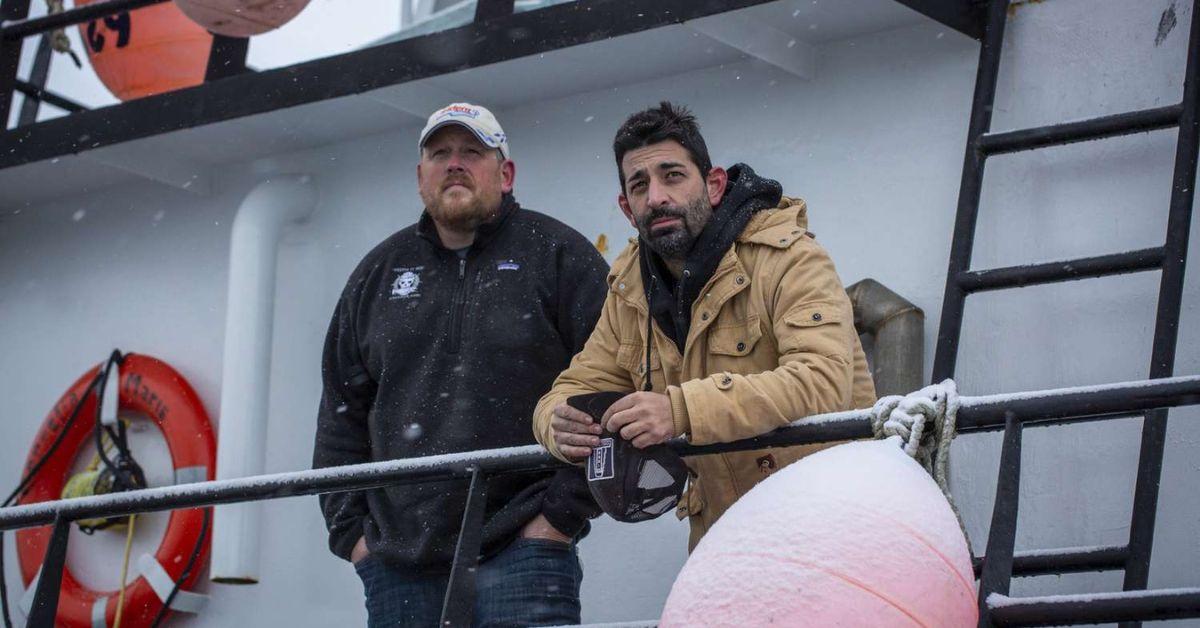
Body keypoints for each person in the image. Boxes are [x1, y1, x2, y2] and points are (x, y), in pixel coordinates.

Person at [313, 103, 608, 627]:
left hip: (527, 547)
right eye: (440, 154)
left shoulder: (561, 255)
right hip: (399, 565)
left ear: (506, 173)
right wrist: (355, 539)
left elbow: (615, 388)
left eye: (472, 152)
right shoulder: (378, 274)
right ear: (420, 176)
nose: (455, 164)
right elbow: (341, 413)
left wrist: (557, 519)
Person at [533, 101, 876, 550]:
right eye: (640, 185)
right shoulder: (629, 292)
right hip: (723, 544)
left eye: (672, 175)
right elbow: (575, 387)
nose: (656, 197)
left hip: (831, 526)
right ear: (626, 207)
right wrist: (556, 426)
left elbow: (824, 381)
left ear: (713, 185)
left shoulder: (790, 258)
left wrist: (680, 410)